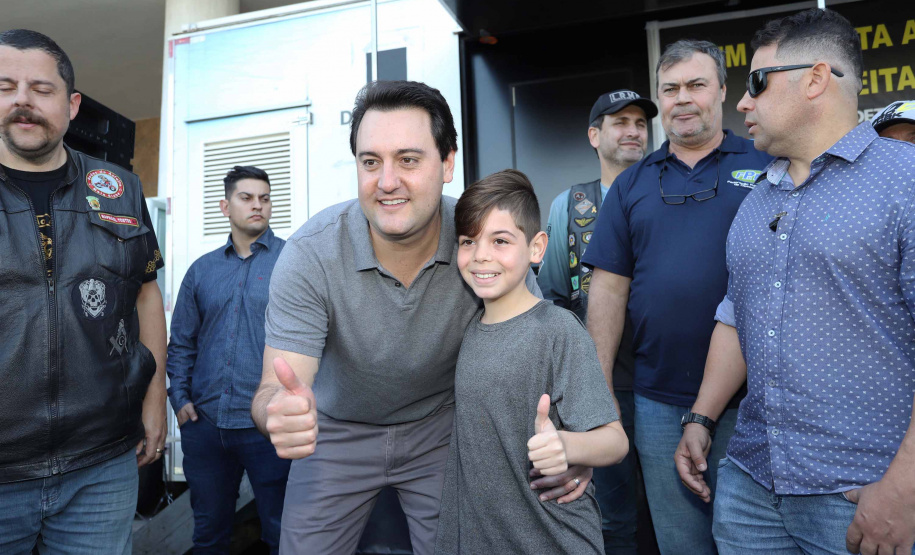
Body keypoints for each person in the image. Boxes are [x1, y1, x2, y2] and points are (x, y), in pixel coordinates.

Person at [250, 80, 589, 555]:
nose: (387, 181)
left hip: (442, 428)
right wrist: (278, 414)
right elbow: (275, 387)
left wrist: (573, 442)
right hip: (335, 432)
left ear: (447, 163)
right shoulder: (311, 254)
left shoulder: (483, 244)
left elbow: (537, 349)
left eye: (408, 160)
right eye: (371, 162)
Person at [674, 9, 915, 555]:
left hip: (861, 496)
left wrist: (905, 489)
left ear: (814, 78)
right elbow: (738, 314)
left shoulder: (906, 181)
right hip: (749, 489)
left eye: (757, 82)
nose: (742, 102)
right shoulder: (757, 199)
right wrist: (702, 417)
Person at [582, 39, 772, 555]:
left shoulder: (767, 163)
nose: (682, 99)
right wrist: (598, 390)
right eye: (670, 89)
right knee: (680, 542)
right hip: (658, 401)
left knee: (755, 542)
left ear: (723, 93)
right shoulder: (630, 185)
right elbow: (607, 290)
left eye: (695, 85)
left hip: (756, 402)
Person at [0, 29, 166, 554]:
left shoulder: (119, 188)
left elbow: (145, 293)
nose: (22, 100)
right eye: (5, 86)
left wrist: (157, 398)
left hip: (101, 464)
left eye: (41, 89)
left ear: (72, 106)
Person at [434, 169, 628, 554]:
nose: (481, 255)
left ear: (537, 248)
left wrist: (566, 446)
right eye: (468, 241)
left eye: (500, 240)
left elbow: (614, 441)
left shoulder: (558, 331)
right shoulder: (468, 330)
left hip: (552, 539)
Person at [538, 89, 656, 554]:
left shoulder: (666, 190)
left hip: (662, 378)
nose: (632, 130)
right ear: (594, 135)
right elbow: (549, 296)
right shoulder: (571, 204)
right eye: (619, 122)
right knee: (612, 509)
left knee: (673, 504)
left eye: (640, 123)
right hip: (597, 382)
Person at [166, 166, 289, 554]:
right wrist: (180, 401)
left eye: (265, 198)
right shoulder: (202, 270)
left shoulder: (292, 261)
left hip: (269, 426)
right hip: (207, 426)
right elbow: (182, 342)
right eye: (247, 197)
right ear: (225, 206)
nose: (258, 205)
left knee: (284, 533)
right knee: (208, 536)